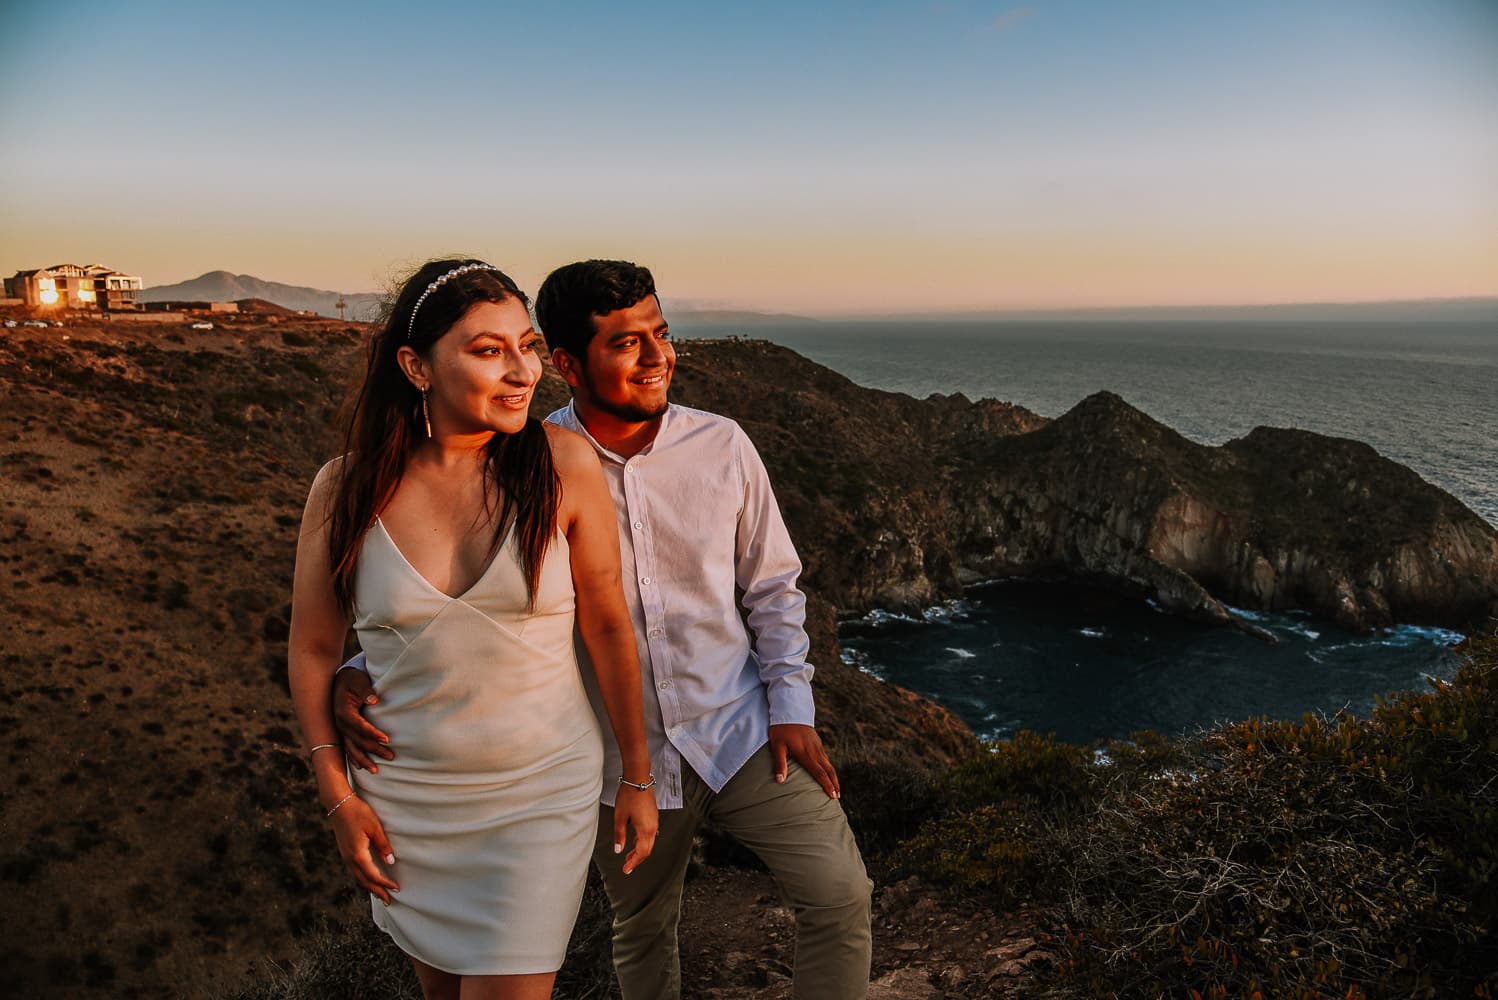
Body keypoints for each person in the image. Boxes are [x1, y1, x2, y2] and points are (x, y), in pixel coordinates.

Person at [336, 260, 872, 1000]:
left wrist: (792, 706)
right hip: (616, 764)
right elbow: (458, 594)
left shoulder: (724, 447)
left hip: (739, 729)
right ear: (566, 363)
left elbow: (774, 588)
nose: (660, 358)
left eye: (661, 334)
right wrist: (356, 667)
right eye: (627, 343)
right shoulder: (530, 462)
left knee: (840, 893)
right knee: (643, 929)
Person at [288, 259, 658, 1000]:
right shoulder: (345, 489)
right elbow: (313, 649)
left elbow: (610, 626)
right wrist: (339, 799)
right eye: (489, 351)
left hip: (539, 795)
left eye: (526, 345)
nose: (523, 371)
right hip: (406, 803)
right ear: (416, 367)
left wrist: (637, 774)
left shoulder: (562, 465)